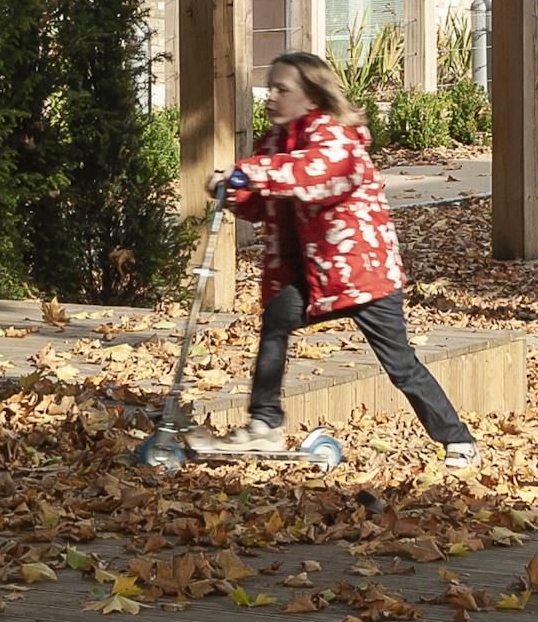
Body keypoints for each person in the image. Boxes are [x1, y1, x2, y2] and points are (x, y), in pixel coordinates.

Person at [185, 52, 479, 470]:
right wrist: (233, 194)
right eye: (269, 87)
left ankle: (457, 439)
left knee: (400, 365)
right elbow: (268, 203)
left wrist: (247, 173)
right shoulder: (276, 142)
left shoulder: (338, 140)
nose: (270, 96)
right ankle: (265, 424)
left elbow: (311, 175)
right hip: (309, 272)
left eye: (282, 89)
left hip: (362, 274)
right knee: (275, 324)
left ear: (310, 99)